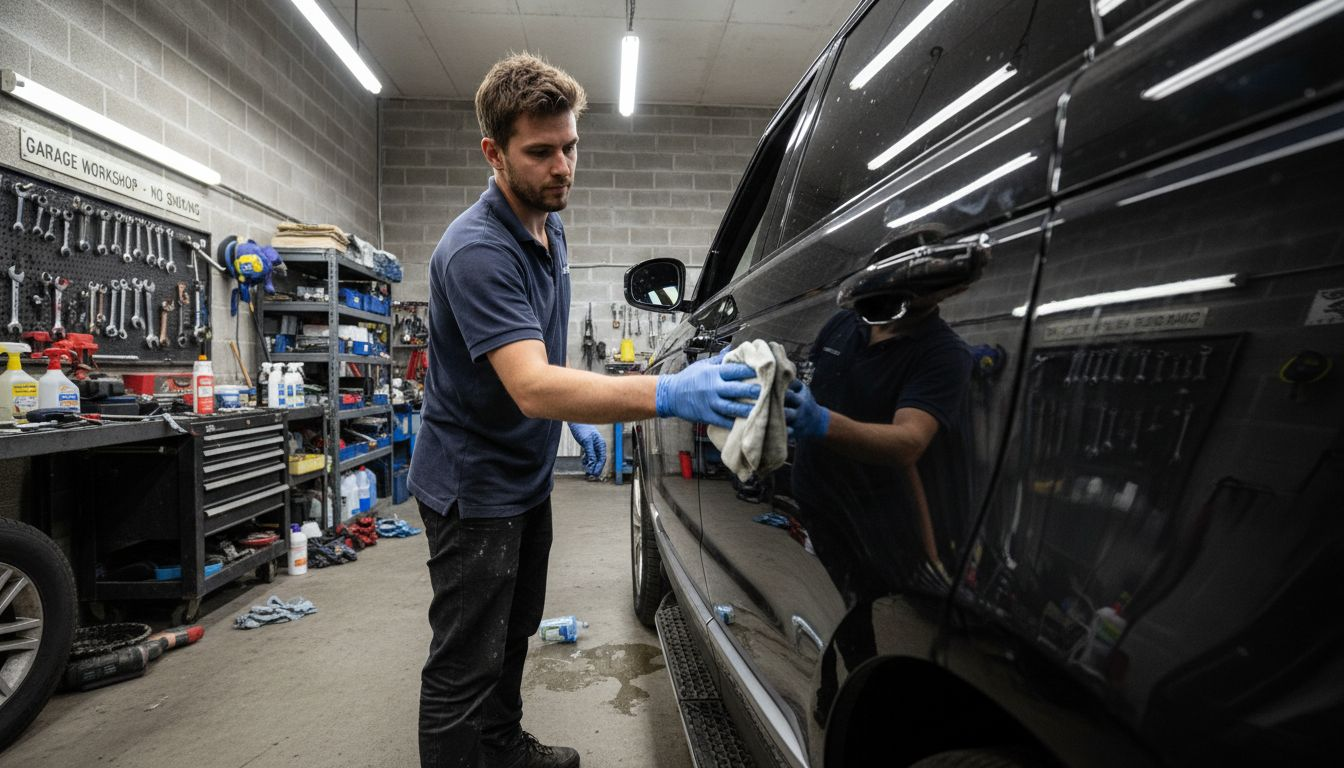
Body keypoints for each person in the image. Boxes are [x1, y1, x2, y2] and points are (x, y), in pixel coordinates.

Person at [407, 53, 760, 768]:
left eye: (569, 147)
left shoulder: (549, 225)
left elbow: (534, 361)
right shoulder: (477, 251)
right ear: (494, 153)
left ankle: (503, 751)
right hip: (474, 488)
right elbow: (533, 385)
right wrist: (667, 393)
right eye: (540, 152)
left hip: (523, 475)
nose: (562, 166)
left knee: (513, 633)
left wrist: (567, 414)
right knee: (465, 661)